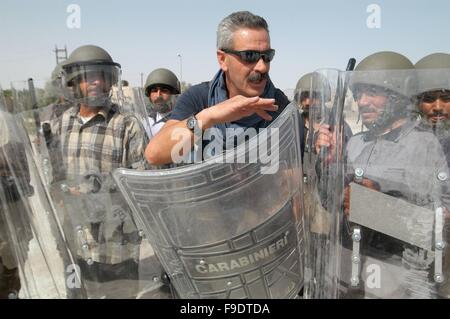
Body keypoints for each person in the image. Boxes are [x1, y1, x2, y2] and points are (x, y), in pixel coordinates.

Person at [314, 51, 450, 298]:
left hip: (398, 280)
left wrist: (372, 207)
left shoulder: (424, 145)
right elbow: (329, 204)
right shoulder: (355, 143)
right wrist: (326, 164)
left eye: (372, 93)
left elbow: (435, 227)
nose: (362, 102)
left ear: (398, 95)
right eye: (358, 94)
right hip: (348, 273)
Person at [47, 45, 149, 298]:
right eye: (86, 76)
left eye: (99, 76)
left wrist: (104, 190)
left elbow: (142, 180)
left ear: (108, 80)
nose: (93, 82)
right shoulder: (61, 124)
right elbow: (54, 176)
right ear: (74, 83)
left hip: (117, 242)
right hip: (76, 240)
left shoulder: (127, 124)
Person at [145, 11, 302, 165]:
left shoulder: (282, 110)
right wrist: (208, 117)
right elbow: (154, 154)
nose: (262, 67)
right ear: (222, 59)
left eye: (267, 56)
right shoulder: (199, 98)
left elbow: (290, 181)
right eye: (250, 56)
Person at [415, 53, 450, 165]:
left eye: (446, 98)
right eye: (429, 99)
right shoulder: (407, 140)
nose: (438, 107)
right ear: (417, 102)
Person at [143, 68, 180, 139]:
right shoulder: (147, 120)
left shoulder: (182, 121)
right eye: (154, 90)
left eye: (164, 91)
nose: (158, 95)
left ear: (174, 95)